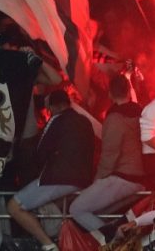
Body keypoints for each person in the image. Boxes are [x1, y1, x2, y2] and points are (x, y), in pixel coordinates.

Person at [7, 89, 95, 251]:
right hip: (85, 179)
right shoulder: (85, 121)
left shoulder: (56, 119)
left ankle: (48, 245)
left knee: (14, 207)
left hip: (58, 177)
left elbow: (41, 151)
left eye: (48, 108)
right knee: (53, 208)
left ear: (54, 107)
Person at [69, 74, 144, 243]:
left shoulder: (115, 118)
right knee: (96, 211)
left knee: (77, 208)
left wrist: (97, 181)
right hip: (139, 178)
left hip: (122, 177)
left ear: (110, 93)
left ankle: (115, 240)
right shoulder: (141, 114)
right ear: (128, 92)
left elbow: (110, 154)